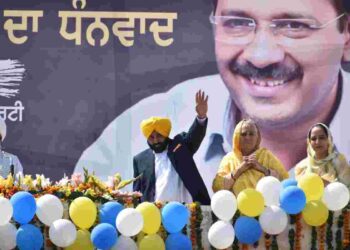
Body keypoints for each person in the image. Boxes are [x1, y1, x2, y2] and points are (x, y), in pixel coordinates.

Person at [74, 0, 350, 195]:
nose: (262, 56)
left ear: (347, 37)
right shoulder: (133, 139)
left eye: (293, 25)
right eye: (238, 23)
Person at [132, 90, 210, 204]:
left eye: (159, 136)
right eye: (151, 137)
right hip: (154, 216)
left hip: (189, 212)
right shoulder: (140, 160)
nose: (155, 140)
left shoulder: (180, 146)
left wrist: (201, 116)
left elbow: (195, 135)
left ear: (165, 134)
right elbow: (137, 193)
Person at [212, 119, 288, 195]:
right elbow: (217, 188)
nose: (247, 137)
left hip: (265, 206)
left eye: (251, 134)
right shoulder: (229, 159)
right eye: (243, 134)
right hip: (237, 206)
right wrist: (239, 170)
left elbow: (284, 182)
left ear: (257, 137)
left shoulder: (266, 156)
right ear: (237, 137)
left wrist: (262, 169)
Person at [295, 123, 350, 187]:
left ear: (328, 139)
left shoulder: (339, 161)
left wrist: (325, 184)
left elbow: (347, 189)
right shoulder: (302, 167)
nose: (317, 142)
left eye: (322, 138)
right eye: (313, 139)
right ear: (309, 142)